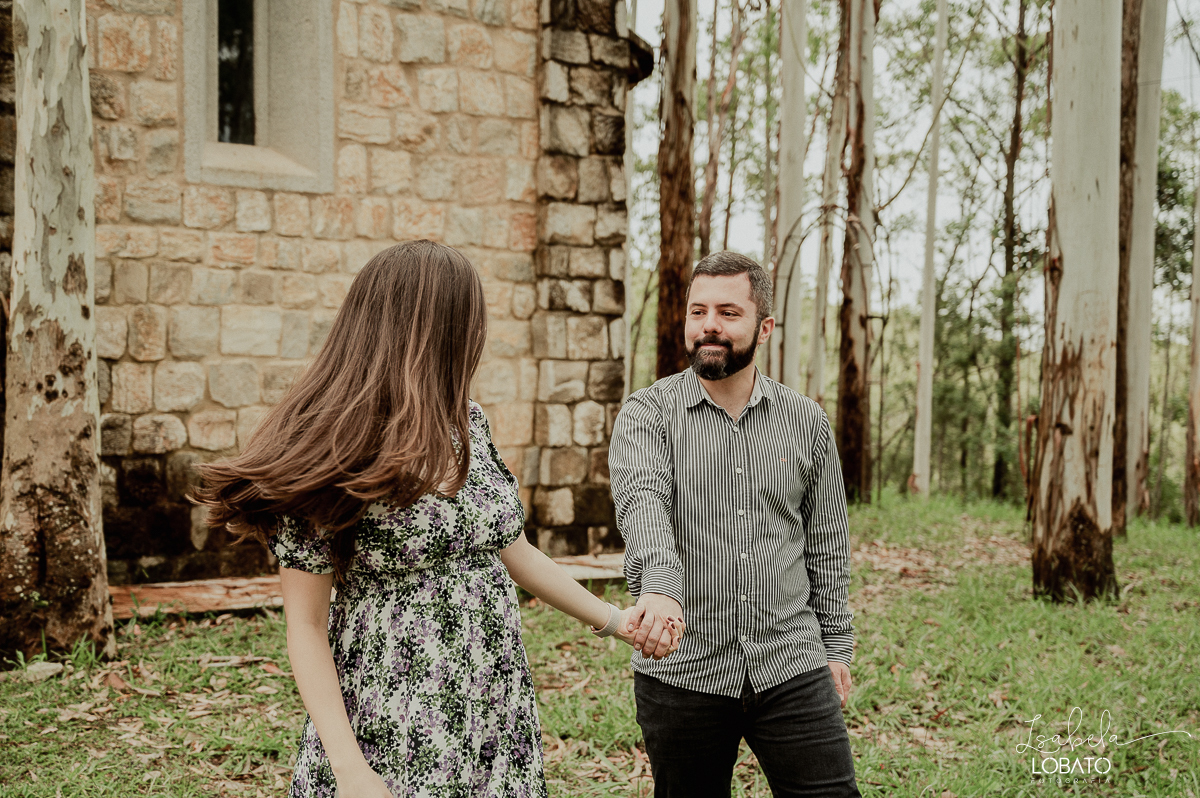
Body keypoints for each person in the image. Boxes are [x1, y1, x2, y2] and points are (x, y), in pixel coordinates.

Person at [194, 240, 680, 798]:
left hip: (491, 701)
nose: (478, 338)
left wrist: (616, 622)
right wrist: (350, 770)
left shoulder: (465, 421)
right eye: (470, 321)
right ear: (433, 329)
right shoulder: (337, 442)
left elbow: (511, 549)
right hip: (394, 716)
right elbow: (305, 629)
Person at [610, 250, 861, 797]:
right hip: (683, 670)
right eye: (698, 311)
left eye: (728, 312)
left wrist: (836, 647)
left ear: (764, 327)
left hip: (792, 665)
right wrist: (661, 591)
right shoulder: (646, 414)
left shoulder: (807, 422)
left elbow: (826, 544)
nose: (709, 327)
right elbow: (643, 506)